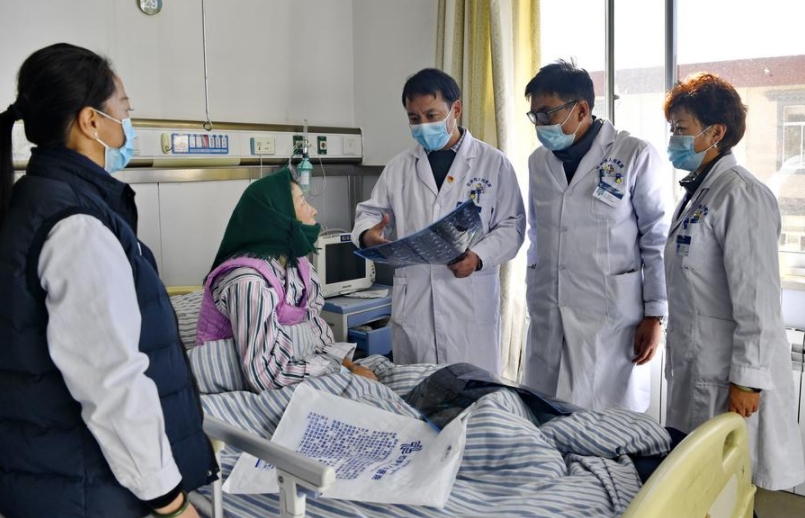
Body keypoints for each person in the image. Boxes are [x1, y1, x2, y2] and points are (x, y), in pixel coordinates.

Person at [0, 44, 216, 518]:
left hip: (54, 476)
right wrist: (171, 502)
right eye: (124, 109)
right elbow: (112, 382)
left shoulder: (35, 198)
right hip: (90, 489)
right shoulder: (77, 225)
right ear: (91, 121)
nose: (129, 122)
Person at [662, 72, 805, 490]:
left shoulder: (741, 195)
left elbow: (757, 298)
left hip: (729, 378)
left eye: (681, 129)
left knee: (726, 484)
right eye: (672, 128)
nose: (673, 138)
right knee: (703, 486)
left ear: (716, 132)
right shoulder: (701, 193)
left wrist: (746, 380)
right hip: (698, 365)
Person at [351, 68, 525, 375]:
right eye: (414, 119)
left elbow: (512, 226)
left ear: (455, 109)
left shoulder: (492, 163)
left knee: (473, 397)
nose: (423, 126)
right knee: (415, 396)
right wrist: (368, 235)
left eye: (431, 115)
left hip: (468, 302)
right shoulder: (399, 167)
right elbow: (370, 213)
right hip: (415, 302)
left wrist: (478, 257)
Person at [521, 59, 672, 412]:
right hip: (549, 313)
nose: (540, 126)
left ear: (582, 109)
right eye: (534, 117)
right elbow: (537, 231)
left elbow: (655, 239)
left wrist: (655, 314)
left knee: (606, 430)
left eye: (546, 114)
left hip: (609, 321)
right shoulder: (538, 163)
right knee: (547, 421)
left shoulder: (633, 154)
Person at [194, 167, 377, 392]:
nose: (314, 211)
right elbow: (266, 376)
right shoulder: (248, 283)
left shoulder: (299, 266)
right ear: (278, 217)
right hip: (235, 385)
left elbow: (316, 335)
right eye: (302, 203)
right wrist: (338, 372)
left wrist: (348, 366)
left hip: (292, 369)